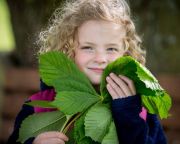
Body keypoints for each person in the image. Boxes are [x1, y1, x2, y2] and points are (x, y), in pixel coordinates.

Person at [7, 0, 167, 144]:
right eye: (88, 47)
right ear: (68, 50)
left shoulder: (138, 108)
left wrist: (129, 116)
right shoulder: (42, 106)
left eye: (111, 48)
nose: (100, 58)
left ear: (125, 54)